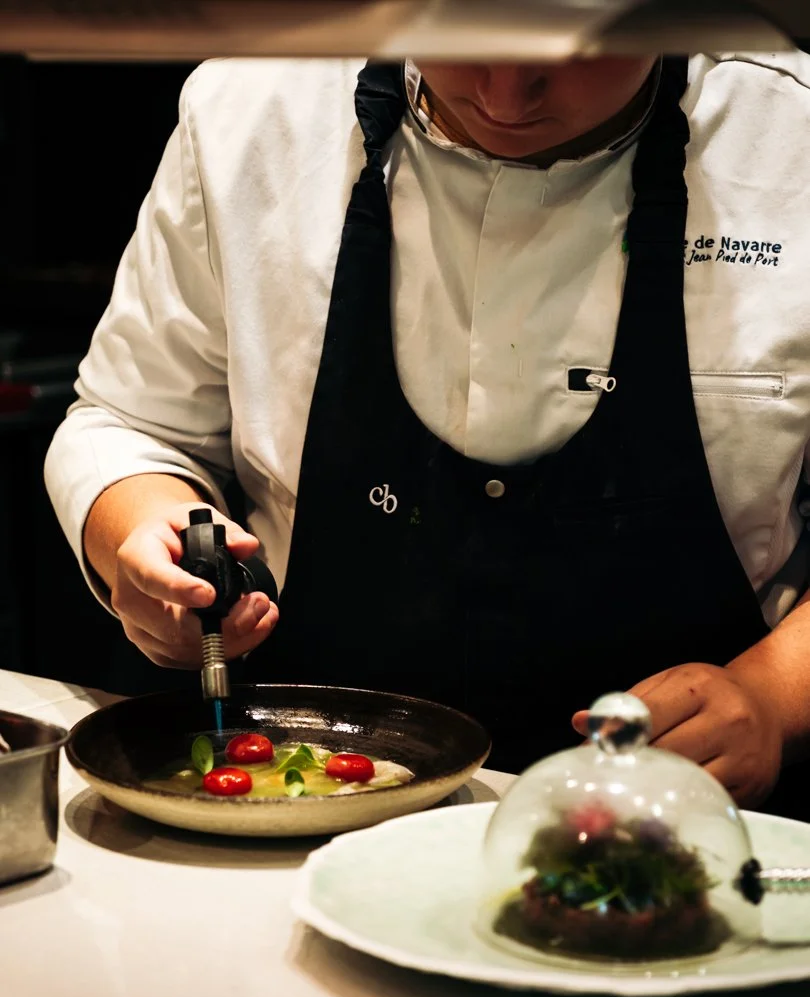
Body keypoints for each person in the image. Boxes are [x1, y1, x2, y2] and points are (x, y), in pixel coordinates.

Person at [46, 49, 810, 806]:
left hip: (674, 829)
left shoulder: (791, 134)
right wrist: (146, 537)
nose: (505, 97)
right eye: (458, 32)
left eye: (580, 50)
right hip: (305, 800)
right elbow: (131, 423)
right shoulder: (252, 114)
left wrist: (771, 694)